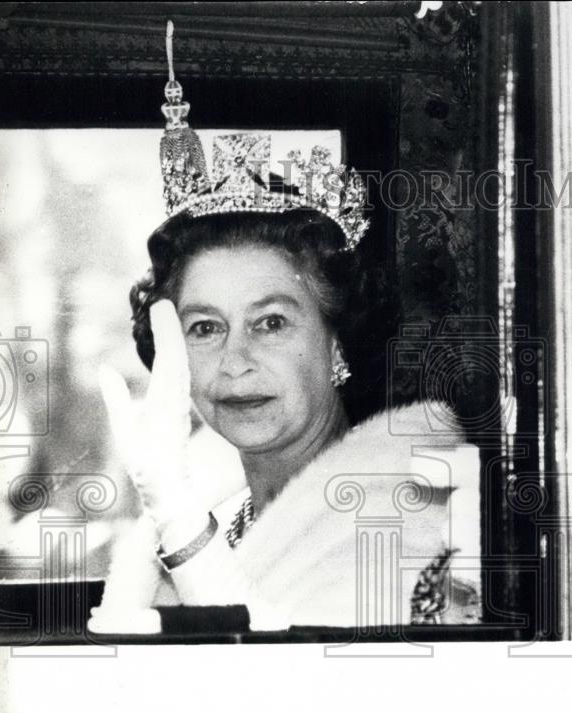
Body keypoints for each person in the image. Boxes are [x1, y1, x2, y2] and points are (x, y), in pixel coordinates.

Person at [89, 39, 481, 632]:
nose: (235, 362)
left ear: (337, 344)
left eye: (271, 322)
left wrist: (176, 514)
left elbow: (299, 693)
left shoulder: (413, 499)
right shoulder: (221, 518)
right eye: (204, 328)